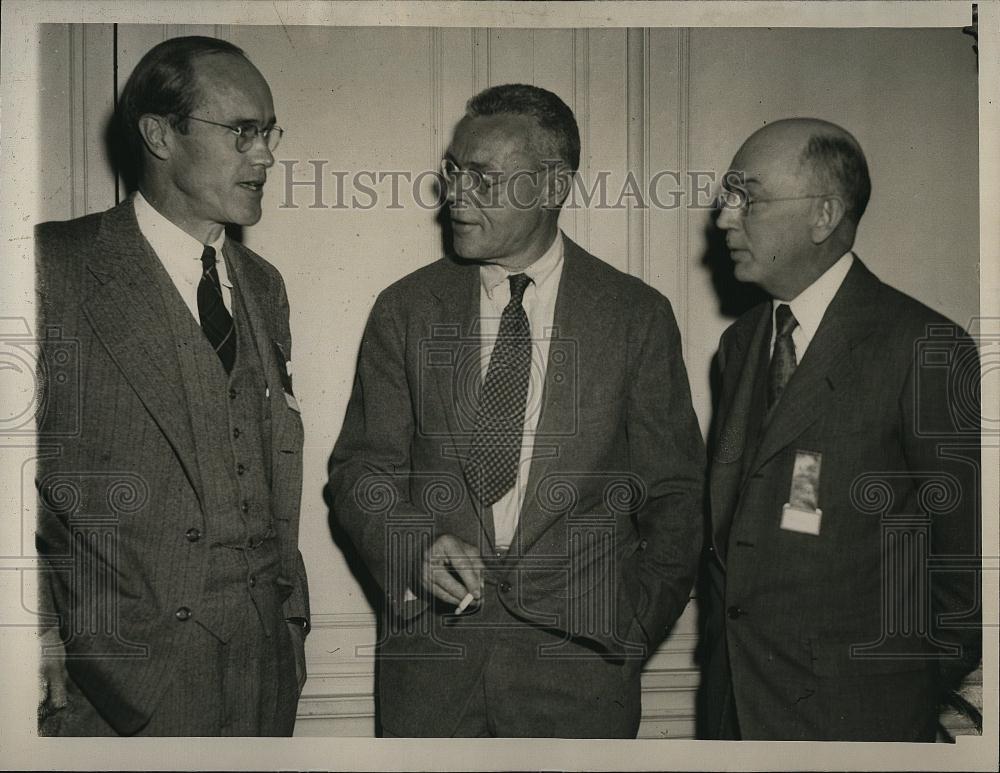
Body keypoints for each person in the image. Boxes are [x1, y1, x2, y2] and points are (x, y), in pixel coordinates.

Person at [328, 83, 705, 737]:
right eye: (452, 171)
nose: (455, 194)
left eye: (482, 177)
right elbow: (360, 472)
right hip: (431, 672)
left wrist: (631, 630)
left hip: (582, 674)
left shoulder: (635, 317)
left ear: (553, 186)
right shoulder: (405, 309)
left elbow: (675, 496)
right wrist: (415, 547)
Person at [34, 36, 309, 736]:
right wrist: (36, 635)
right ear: (159, 134)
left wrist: (289, 624)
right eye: (242, 132)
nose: (267, 155)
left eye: (268, 132)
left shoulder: (264, 285)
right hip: (124, 682)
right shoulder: (52, 268)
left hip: (266, 671)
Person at [699, 118, 981, 741]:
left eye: (749, 197)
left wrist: (901, 699)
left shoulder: (924, 348)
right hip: (734, 711)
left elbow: (962, 565)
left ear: (823, 215)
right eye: (727, 196)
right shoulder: (741, 345)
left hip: (858, 721)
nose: (725, 218)